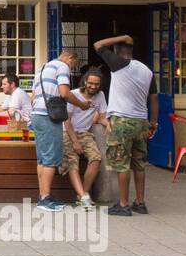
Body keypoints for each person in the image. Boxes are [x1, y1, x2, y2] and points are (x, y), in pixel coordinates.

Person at [93, 35, 158, 216]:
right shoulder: (146, 70)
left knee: (122, 164)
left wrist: (125, 37)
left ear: (116, 50)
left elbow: (98, 44)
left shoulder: (118, 63)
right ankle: (140, 202)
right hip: (141, 122)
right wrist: (153, 121)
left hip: (122, 121)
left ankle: (123, 204)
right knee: (139, 163)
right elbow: (153, 98)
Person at [30, 49, 88, 212]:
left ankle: (42, 194)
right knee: (50, 157)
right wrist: (82, 105)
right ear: (70, 58)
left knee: (42, 158)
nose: (72, 67)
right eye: (73, 63)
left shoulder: (42, 68)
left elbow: (33, 96)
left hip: (37, 114)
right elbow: (65, 93)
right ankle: (45, 199)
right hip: (49, 116)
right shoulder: (62, 67)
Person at [62, 68, 107, 207]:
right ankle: (83, 196)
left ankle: (82, 195)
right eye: (91, 83)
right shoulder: (74, 95)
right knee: (72, 163)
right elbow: (67, 120)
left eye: (96, 84)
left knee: (96, 158)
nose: (93, 86)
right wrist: (75, 142)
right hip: (69, 132)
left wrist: (110, 126)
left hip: (86, 134)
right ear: (85, 81)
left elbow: (102, 116)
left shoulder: (100, 95)